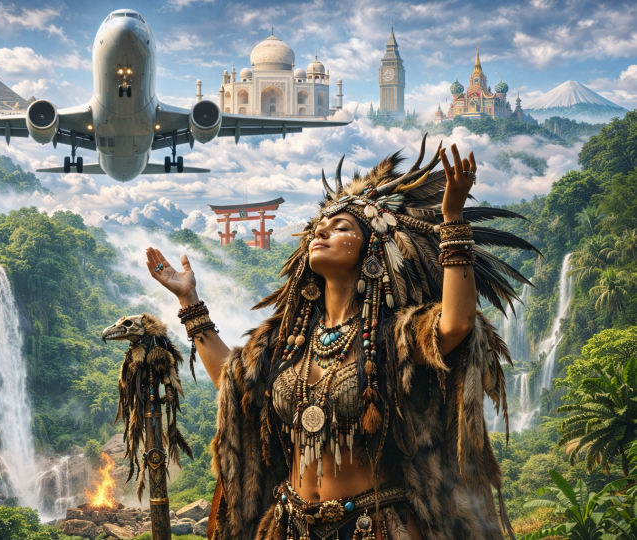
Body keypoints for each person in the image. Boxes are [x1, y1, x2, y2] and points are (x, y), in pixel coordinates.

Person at [145, 139, 536, 540]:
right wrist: (189, 301)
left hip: (373, 527)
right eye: (318, 227)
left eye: (341, 227)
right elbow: (233, 380)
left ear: (372, 248)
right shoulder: (287, 340)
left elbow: (455, 325)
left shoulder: (393, 335)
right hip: (287, 526)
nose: (322, 231)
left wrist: (453, 219)